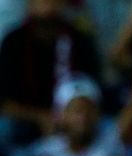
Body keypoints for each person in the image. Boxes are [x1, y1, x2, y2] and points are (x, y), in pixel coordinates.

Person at [0, 0, 103, 147]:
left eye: (53, 1)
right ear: (29, 5)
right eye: (41, 1)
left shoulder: (79, 40)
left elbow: (92, 94)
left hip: (71, 117)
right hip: (26, 119)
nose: (47, 7)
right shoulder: (14, 41)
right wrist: (41, 117)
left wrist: (66, 117)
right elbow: (5, 103)